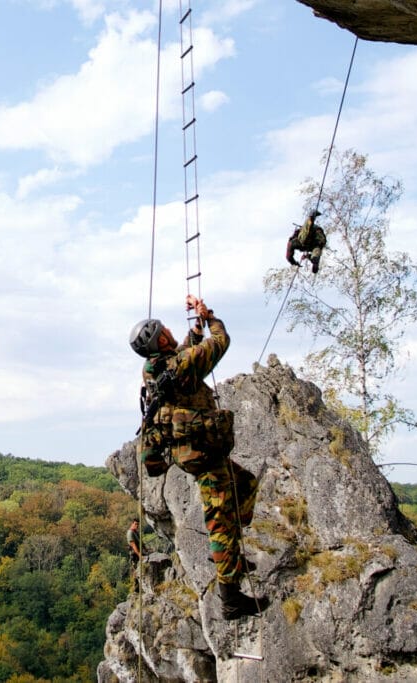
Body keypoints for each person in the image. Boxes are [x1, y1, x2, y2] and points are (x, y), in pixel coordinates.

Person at [129, 295, 269, 620]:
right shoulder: (180, 367)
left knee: (245, 485)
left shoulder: (154, 368)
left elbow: (182, 357)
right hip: (205, 454)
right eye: (165, 329)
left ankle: (228, 551)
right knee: (220, 517)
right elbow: (220, 342)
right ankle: (231, 599)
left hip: (193, 451)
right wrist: (211, 317)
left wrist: (196, 325)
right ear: (160, 339)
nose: (169, 330)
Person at [286, 208, 326, 273]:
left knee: (304, 237)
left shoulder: (296, 240)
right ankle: (311, 218)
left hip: (314, 239)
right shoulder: (297, 242)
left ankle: (311, 217)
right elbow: (316, 252)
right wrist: (309, 258)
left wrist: (293, 262)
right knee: (316, 248)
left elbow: (289, 253)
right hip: (315, 242)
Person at [127, 518, 141, 591]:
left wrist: (146, 549)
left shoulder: (136, 532)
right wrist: (139, 554)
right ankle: (136, 589)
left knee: (139, 569)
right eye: (135, 524)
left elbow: (140, 542)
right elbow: (133, 545)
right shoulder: (130, 533)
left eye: (138, 524)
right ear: (132, 524)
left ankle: (140, 586)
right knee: (135, 571)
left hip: (138, 553)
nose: (137, 525)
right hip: (134, 555)